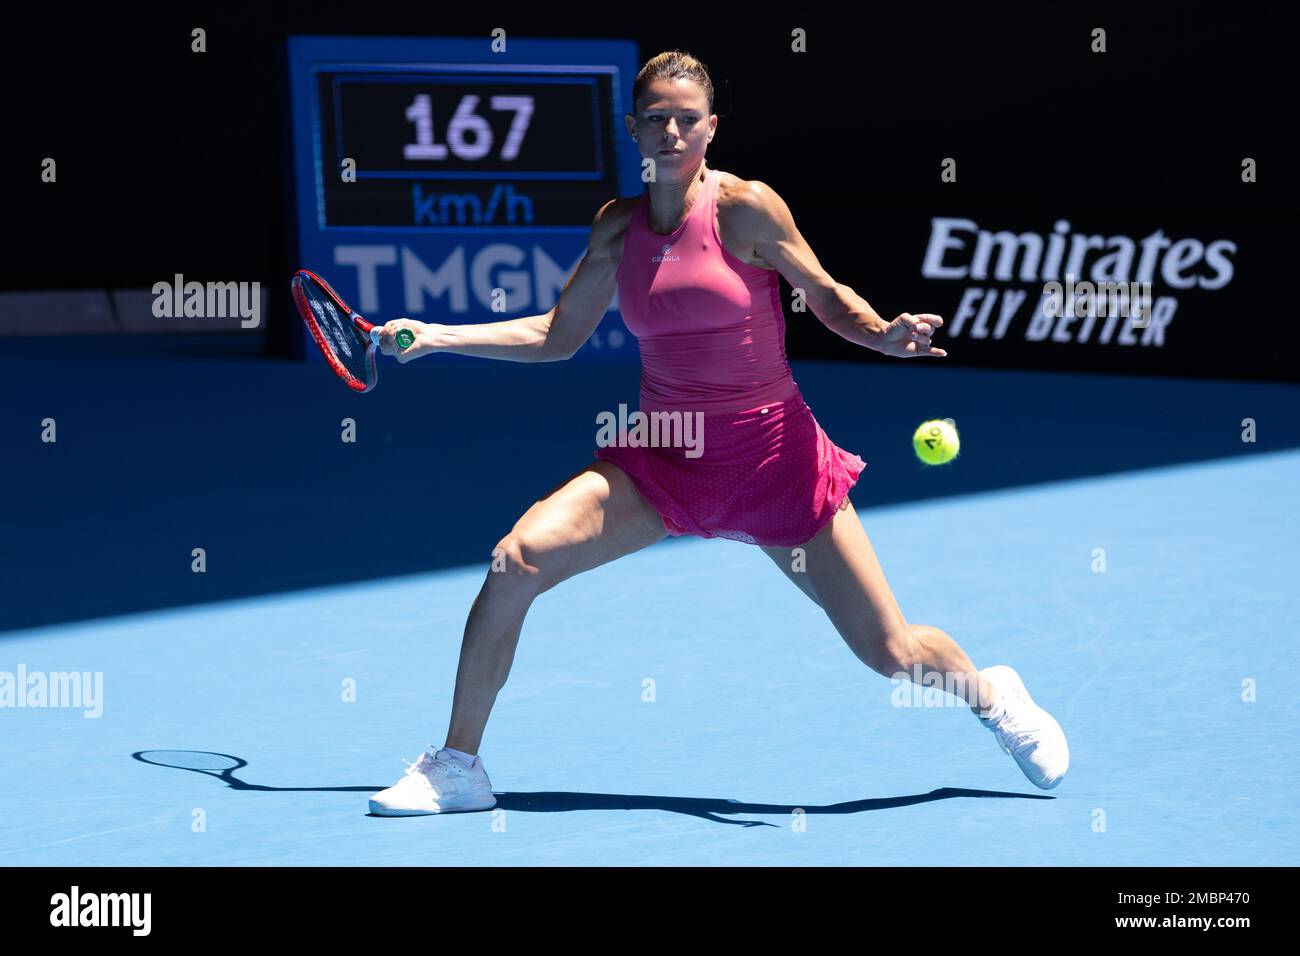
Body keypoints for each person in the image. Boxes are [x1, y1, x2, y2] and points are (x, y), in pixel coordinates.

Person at [367, 51, 1068, 815]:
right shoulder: (616, 228)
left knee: (892, 654)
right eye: (656, 119)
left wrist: (882, 334)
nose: (671, 132)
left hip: (777, 467)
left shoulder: (746, 209)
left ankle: (992, 694)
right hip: (664, 463)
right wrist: (436, 334)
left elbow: (826, 297)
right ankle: (459, 767)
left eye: (687, 119)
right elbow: (556, 335)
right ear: (632, 128)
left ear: (710, 128)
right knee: (516, 561)